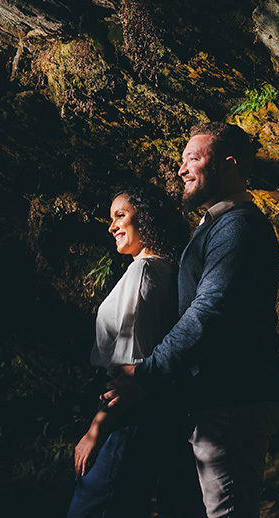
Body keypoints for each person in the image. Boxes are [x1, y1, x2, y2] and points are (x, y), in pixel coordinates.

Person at [103, 122, 279, 517]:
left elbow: (209, 310)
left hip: (234, 399)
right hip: (214, 400)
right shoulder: (215, 225)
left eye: (193, 158)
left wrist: (147, 373)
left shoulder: (238, 225)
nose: (181, 169)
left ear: (228, 165)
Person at [67, 182, 187, 518]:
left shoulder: (144, 271)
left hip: (127, 416)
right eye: (111, 218)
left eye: (121, 215)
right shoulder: (166, 270)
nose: (112, 226)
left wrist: (95, 430)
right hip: (149, 416)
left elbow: (131, 371)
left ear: (144, 220)